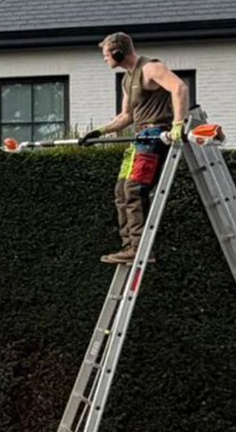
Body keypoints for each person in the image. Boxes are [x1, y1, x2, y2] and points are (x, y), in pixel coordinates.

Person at [79, 32, 190, 264]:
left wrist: (178, 125)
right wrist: (99, 131)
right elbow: (127, 115)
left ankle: (140, 249)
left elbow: (179, 88)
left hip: (154, 136)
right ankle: (129, 245)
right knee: (121, 190)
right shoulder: (127, 79)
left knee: (134, 189)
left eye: (106, 54)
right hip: (139, 138)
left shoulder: (150, 68)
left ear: (118, 52)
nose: (104, 59)